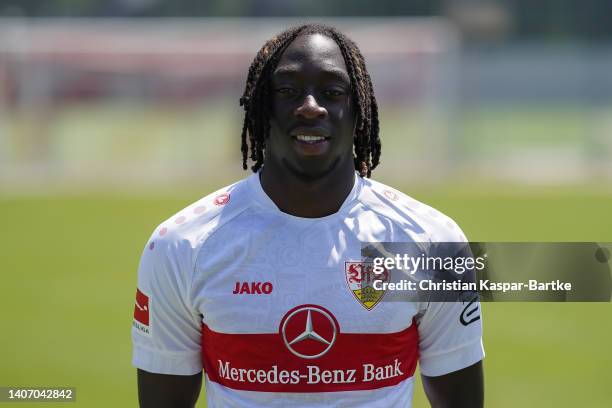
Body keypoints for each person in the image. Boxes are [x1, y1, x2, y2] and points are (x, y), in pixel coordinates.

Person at [132, 24, 484, 407]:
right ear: (260, 107)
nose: (310, 106)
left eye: (332, 92)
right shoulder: (182, 245)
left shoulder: (430, 240)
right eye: (287, 91)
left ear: (360, 109)